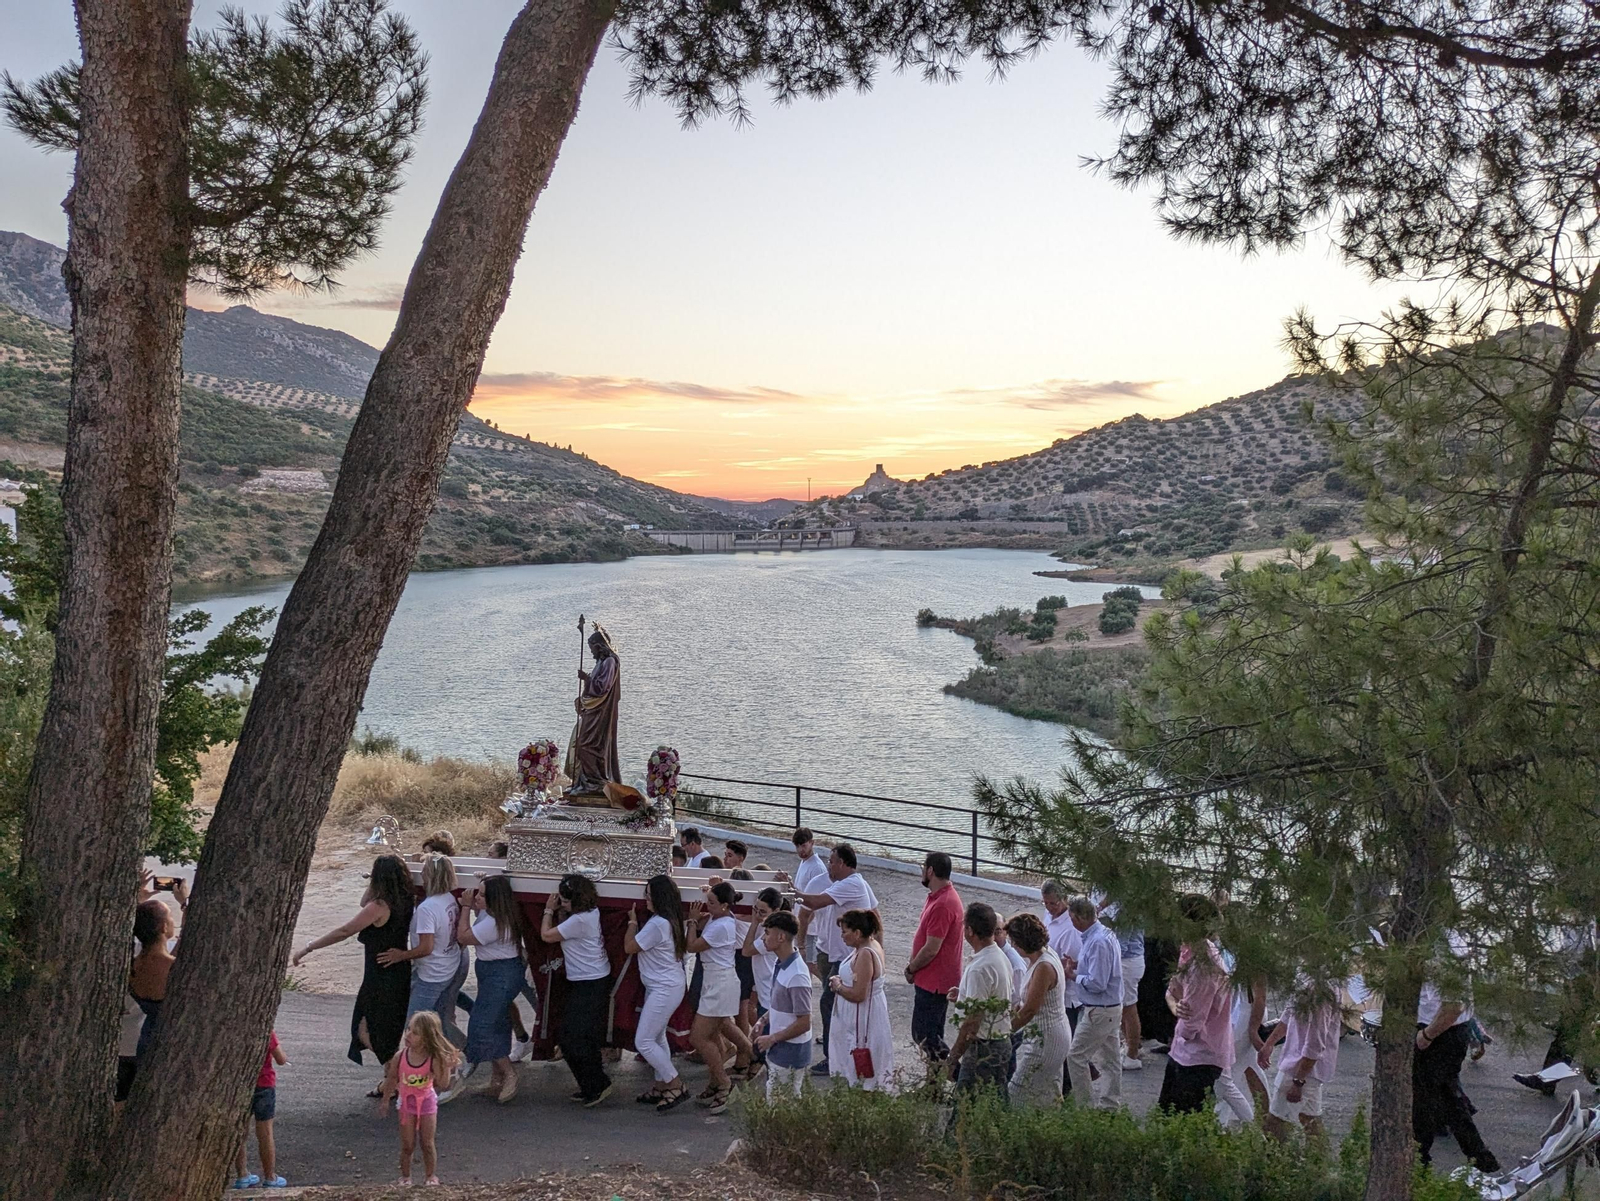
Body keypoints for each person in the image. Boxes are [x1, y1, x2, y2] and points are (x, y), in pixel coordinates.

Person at [294, 853, 415, 1093]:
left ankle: (396, 1077)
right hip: (396, 971)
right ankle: (390, 1082)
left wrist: (309, 947)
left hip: (380, 974)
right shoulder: (406, 899)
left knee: (365, 1029)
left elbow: (345, 930)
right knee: (385, 1028)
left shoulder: (379, 907)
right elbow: (363, 902)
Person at [793, 843, 880, 1074]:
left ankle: (834, 1059)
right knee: (833, 1005)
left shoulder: (851, 884)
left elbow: (813, 903)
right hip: (831, 953)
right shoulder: (848, 883)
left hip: (844, 958)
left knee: (830, 1003)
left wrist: (792, 891)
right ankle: (838, 1050)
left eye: (831, 861)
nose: (828, 865)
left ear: (842, 863)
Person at [450, 876, 529, 1104]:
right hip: (493, 970)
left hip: (501, 973)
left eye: (482, 895)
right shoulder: (492, 913)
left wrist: (465, 906)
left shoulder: (495, 921)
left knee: (482, 1025)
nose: (477, 898)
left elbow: (464, 936)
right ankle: (497, 1079)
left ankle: (509, 1074)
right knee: (498, 1022)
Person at [539, 873, 615, 1106]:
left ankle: (596, 1084)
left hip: (588, 982)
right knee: (584, 1037)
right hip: (592, 980)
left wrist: (548, 911)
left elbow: (546, 935)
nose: (561, 903)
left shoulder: (578, 921)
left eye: (564, 899)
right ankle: (592, 1084)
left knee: (571, 1038)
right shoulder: (590, 913)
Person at [378, 855, 466, 1047]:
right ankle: (461, 1051)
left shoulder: (428, 908)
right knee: (439, 1019)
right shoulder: (448, 898)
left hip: (432, 973)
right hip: (448, 965)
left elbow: (426, 947)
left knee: (414, 1023)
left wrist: (401, 955)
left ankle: (450, 1055)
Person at [1413, 979, 1500, 1172]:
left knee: (1426, 1103)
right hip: (1440, 1030)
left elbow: (1455, 1005)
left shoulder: (1447, 950)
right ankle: (1482, 1160)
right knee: (1446, 1098)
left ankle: (1419, 1164)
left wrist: (1427, 1036)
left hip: (1440, 1033)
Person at [1157, 895, 1232, 1116]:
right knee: (1168, 1114)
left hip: (1199, 1056)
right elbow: (1172, 990)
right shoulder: (1190, 950)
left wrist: (1178, 1012)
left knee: (1184, 1119)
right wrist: (1173, 1005)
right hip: (1182, 1051)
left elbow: (1192, 1022)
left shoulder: (1203, 965)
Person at [686, 881, 755, 1114]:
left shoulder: (721, 925)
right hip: (717, 981)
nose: (708, 905)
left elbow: (693, 946)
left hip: (719, 983)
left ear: (725, 905)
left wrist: (693, 921)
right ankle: (740, 1061)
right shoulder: (721, 918)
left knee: (698, 1037)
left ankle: (723, 1081)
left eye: (712, 903)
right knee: (718, 1029)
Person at [624, 873, 691, 1112]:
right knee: (657, 1037)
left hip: (664, 987)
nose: (645, 900)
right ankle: (662, 1084)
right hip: (665, 986)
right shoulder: (669, 920)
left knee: (643, 1041)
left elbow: (629, 947)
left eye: (649, 896)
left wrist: (632, 923)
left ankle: (675, 1082)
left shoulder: (657, 924)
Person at [379, 1010, 459, 1188]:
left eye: (415, 1033)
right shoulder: (400, 1056)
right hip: (406, 1105)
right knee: (407, 1145)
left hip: (427, 1104)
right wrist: (385, 1100)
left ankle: (430, 1175)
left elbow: (443, 1084)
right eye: (408, 1029)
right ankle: (405, 1176)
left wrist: (446, 1067)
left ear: (427, 1038)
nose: (408, 1034)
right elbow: (391, 1079)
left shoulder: (433, 1058)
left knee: (427, 1143)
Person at [1257, 980, 1341, 1144]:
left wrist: (1298, 1081)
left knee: (1274, 1123)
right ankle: (1319, 1165)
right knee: (1309, 1120)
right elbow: (1289, 1014)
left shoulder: (1320, 989)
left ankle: (1273, 1164)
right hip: (1298, 1062)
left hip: (1302, 1067)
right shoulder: (1304, 974)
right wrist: (1269, 1043)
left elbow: (1316, 1041)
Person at [1064, 894, 1123, 1109]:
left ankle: (1084, 1106)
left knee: (1076, 1056)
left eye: (1071, 918)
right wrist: (1081, 966)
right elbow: (1101, 968)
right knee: (1111, 1060)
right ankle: (1110, 1105)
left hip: (1100, 1009)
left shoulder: (1098, 941)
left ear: (1079, 918)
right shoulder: (1103, 934)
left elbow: (1098, 983)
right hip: (1111, 1008)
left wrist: (1074, 976)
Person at [1005, 913, 1070, 1108]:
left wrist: (1004, 1032)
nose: (1013, 946)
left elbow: (1029, 1009)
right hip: (1048, 1033)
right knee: (1048, 1094)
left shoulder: (1043, 967)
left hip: (1047, 1038)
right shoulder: (1044, 955)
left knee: (1017, 1092)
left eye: (1014, 941)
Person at [948, 902, 1013, 1098]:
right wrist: (963, 995)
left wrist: (953, 1058)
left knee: (964, 1111)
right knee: (994, 1107)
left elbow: (972, 1022)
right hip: (1001, 1042)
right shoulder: (999, 957)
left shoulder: (979, 967)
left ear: (969, 931)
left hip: (984, 1048)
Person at [904, 851, 963, 1062]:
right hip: (931, 980)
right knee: (932, 1036)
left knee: (925, 1036)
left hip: (934, 982)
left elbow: (931, 948)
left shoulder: (943, 903)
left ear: (930, 870)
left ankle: (957, 1076)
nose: (922, 871)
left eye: (923, 867)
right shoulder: (938, 898)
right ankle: (933, 1088)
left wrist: (911, 968)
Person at [827, 910, 895, 1090]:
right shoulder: (871, 945)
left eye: (844, 931)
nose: (842, 936)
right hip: (868, 1015)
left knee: (863, 1067)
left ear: (857, 933)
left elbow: (859, 994)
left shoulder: (865, 954)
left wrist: (838, 986)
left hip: (863, 1021)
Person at [754, 910, 813, 1098]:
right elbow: (781, 1003)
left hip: (790, 1052)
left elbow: (804, 1022)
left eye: (767, 933)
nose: (764, 938)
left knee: (781, 1101)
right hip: (782, 1049)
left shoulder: (797, 975)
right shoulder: (781, 964)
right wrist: (763, 1020)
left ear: (780, 937)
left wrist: (772, 1038)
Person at [566, 626, 622, 795]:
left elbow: (602, 688)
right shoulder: (601, 662)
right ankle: (584, 782)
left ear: (599, 646)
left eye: (592, 649)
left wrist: (587, 679)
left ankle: (595, 783)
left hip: (600, 713)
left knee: (587, 745)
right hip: (592, 710)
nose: (591, 653)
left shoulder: (610, 662)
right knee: (581, 743)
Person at [1040, 880, 1083, 1093]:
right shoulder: (1048, 916)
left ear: (1064, 900)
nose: (1049, 908)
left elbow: (1069, 965)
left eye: (1053, 904)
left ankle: (1067, 1089)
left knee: (1067, 1045)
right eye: (1046, 903)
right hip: (1050, 989)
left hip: (1067, 996)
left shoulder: (1071, 929)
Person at [233, 1031, 289, 1189]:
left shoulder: (233, 1030)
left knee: (240, 1130)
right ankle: (270, 1177)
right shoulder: (266, 1031)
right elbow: (281, 1059)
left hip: (240, 1086)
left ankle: (242, 1174)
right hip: (264, 1084)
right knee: (265, 1132)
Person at [1099, 896, 1147, 1070]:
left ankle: (1133, 1053)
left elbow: (1122, 944)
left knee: (1128, 1008)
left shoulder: (1128, 908)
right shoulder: (1122, 904)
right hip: (1130, 960)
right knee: (1126, 1007)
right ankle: (1131, 1046)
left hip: (1127, 961)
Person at [789, 827, 830, 977]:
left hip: (810, 928)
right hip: (804, 924)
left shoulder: (817, 868)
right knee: (806, 965)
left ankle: (830, 989)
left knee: (811, 965)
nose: (800, 850)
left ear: (812, 843)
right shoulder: (805, 862)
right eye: (798, 846)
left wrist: (803, 924)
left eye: (803, 845)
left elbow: (815, 901)